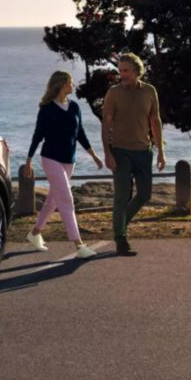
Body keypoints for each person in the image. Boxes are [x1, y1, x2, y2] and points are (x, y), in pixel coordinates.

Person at [24, 71, 103, 259]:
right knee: (66, 200)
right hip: (51, 159)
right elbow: (38, 135)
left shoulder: (75, 107)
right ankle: (79, 245)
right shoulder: (46, 108)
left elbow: (80, 133)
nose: (72, 85)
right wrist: (28, 160)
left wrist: (94, 155)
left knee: (53, 201)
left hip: (70, 160)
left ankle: (34, 234)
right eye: (70, 82)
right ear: (61, 84)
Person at [102, 52, 166, 256]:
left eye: (126, 71)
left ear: (137, 71)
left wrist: (161, 152)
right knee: (122, 196)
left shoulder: (149, 91)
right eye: (120, 71)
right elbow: (106, 124)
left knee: (145, 194)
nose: (122, 75)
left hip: (143, 151)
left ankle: (120, 223)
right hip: (120, 151)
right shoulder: (113, 93)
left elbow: (155, 121)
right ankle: (121, 239)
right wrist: (107, 153)